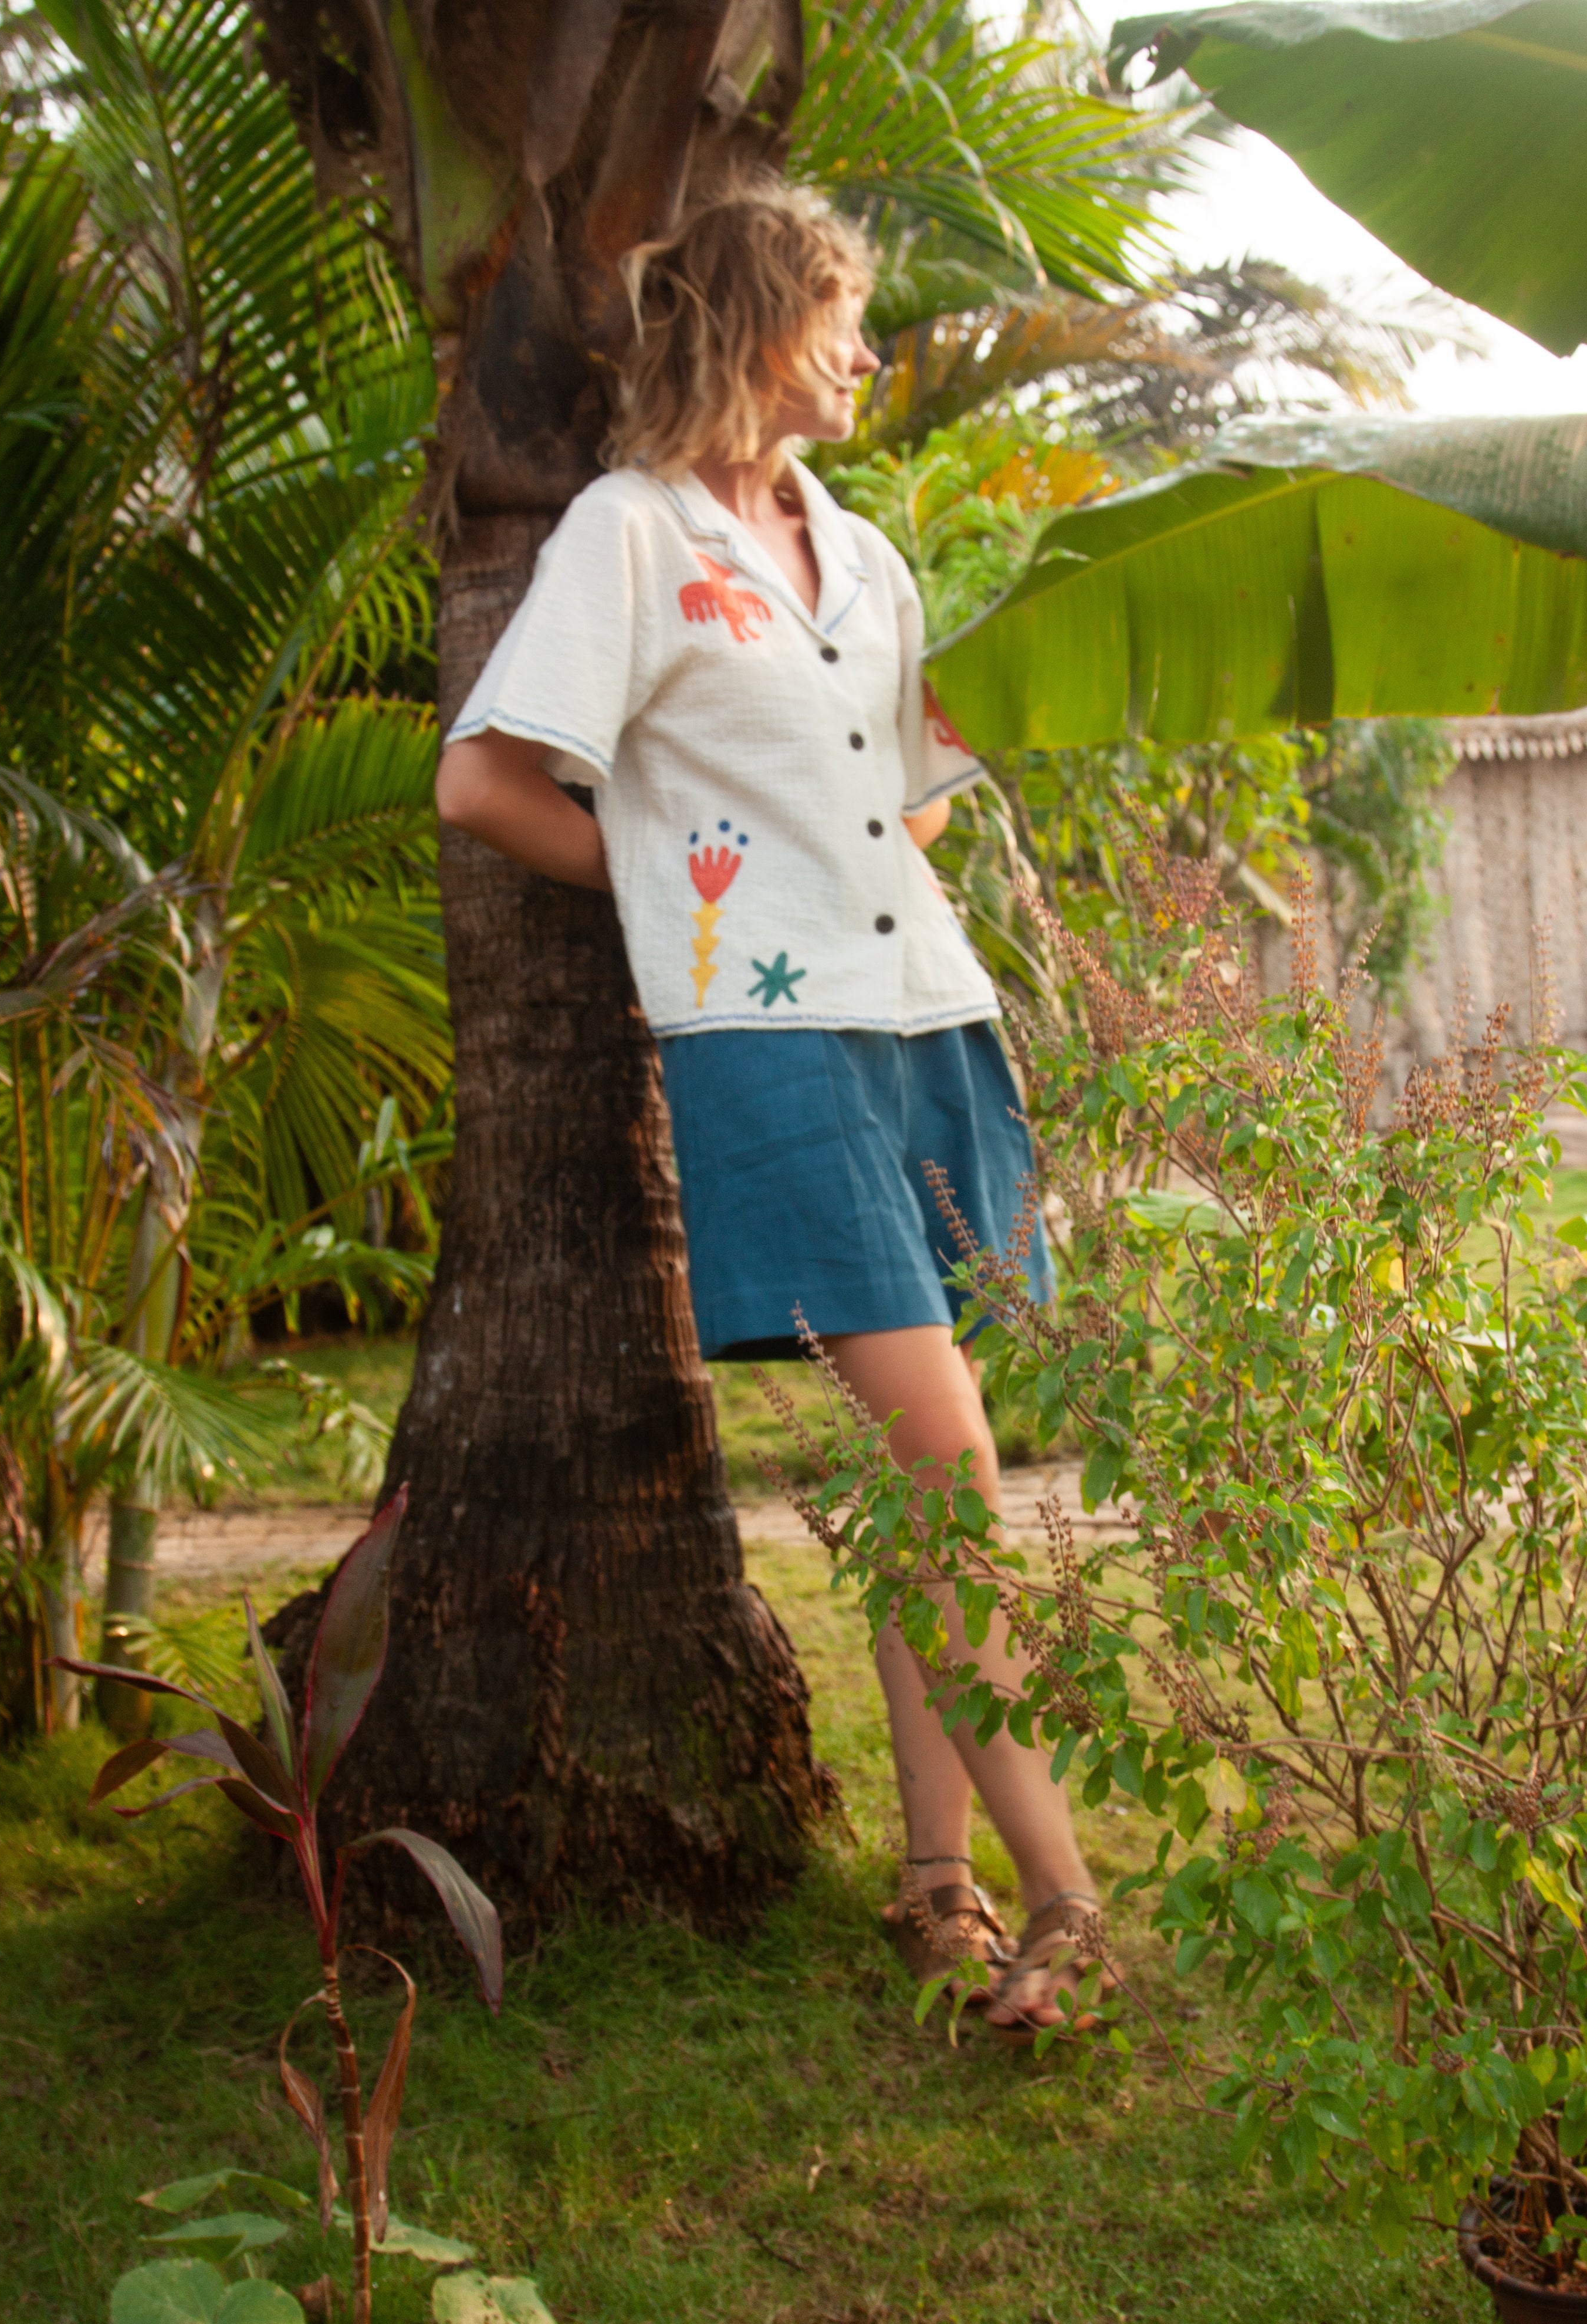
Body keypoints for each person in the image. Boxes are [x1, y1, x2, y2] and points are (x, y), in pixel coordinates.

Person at [433, 176, 1106, 2039]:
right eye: (844, 320)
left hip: (932, 1017)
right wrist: (674, 887)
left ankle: (933, 1883)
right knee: (956, 1477)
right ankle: (1068, 1900)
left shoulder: (867, 555)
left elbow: (912, 791)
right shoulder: (630, 536)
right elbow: (482, 784)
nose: (871, 354)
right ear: (759, 325)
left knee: (922, 1491)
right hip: (774, 1046)